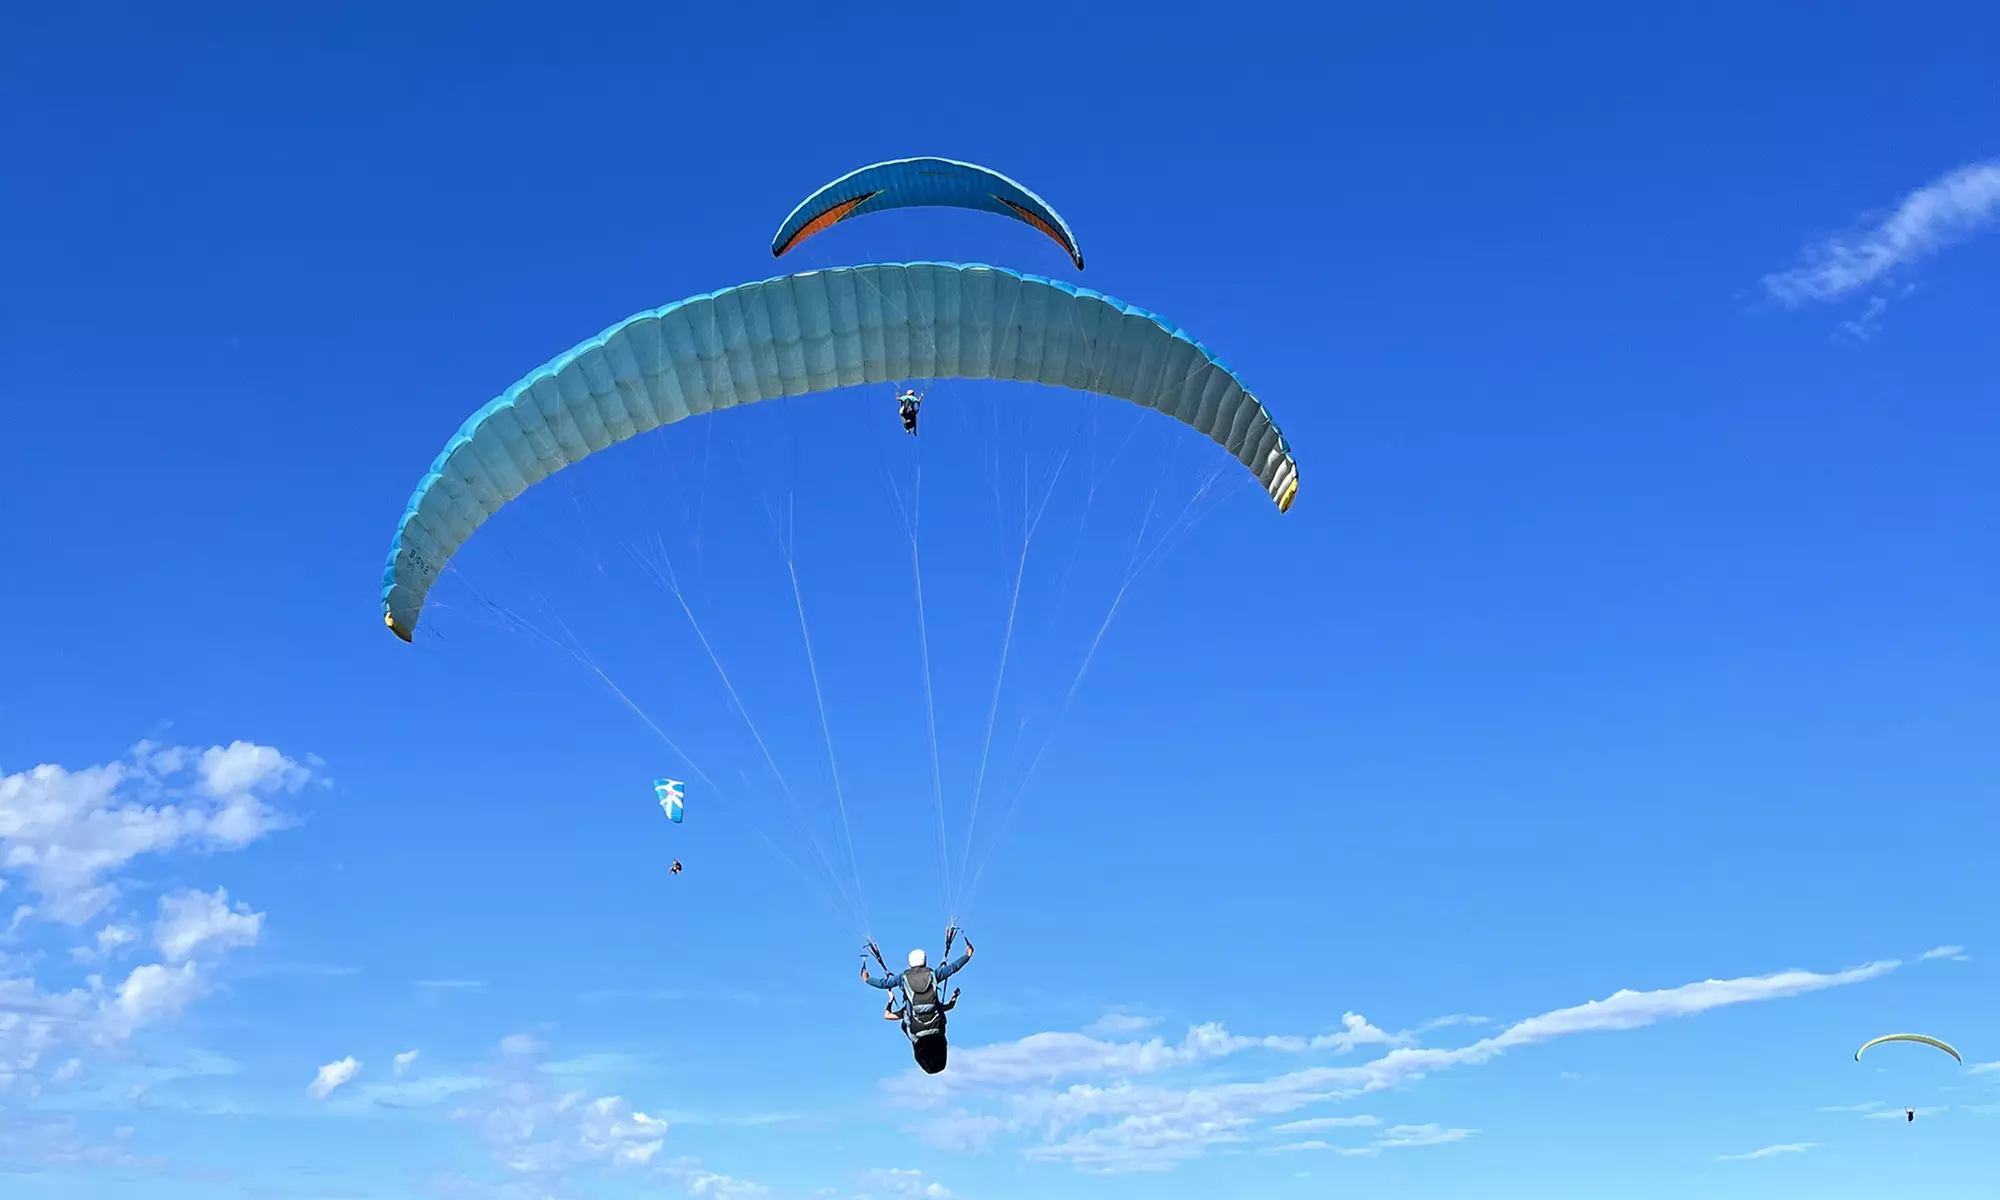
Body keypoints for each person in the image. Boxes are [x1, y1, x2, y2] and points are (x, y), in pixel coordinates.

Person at [863, 937, 973, 1074]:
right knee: (938, 1065)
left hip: (918, 1033)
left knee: (929, 1062)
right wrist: (967, 956)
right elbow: (952, 968)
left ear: (910, 963)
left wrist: (867, 979)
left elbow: (883, 983)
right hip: (936, 1031)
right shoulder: (933, 975)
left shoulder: (903, 979)